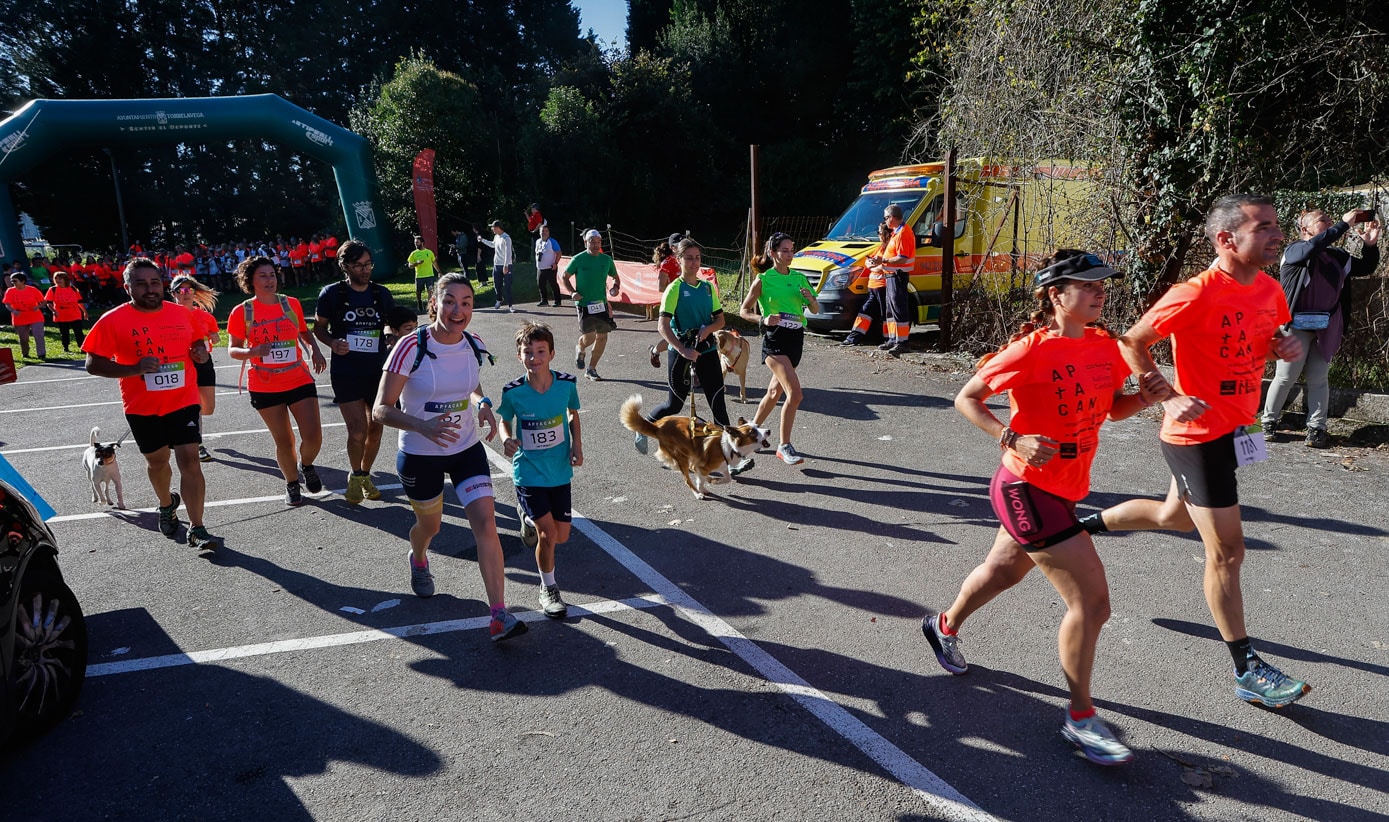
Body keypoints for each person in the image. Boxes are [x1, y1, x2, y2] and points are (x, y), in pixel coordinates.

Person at [922, 250, 1158, 766]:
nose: (1100, 292)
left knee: (1003, 572)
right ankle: (1080, 718)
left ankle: (942, 625)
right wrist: (1011, 435)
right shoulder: (1029, 351)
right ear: (1057, 295)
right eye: (1089, 285)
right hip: (1024, 488)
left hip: (1064, 488)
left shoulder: (1107, 348)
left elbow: (1114, 410)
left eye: (1103, 285)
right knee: (1092, 604)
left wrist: (1148, 396)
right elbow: (967, 397)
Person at [1080, 193, 1311, 709]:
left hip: (1237, 429)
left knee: (1172, 517)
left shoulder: (1271, 289)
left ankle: (1085, 527)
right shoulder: (1194, 293)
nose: (1277, 235)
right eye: (1264, 227)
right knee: (1228, 551)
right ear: (1227, 239)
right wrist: (1168, 392)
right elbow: (1131, 341)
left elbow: (1268, 334)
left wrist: (1282, 346)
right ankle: (1246, 667)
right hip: (1198, 437)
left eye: (1277, 225)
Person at [373, 273, 528, 642]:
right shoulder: (411, 346)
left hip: (465, 450)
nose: (458, 310)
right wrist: (422, 426)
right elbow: (381, 409)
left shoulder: (473, 343)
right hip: (420, 454)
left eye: (466, 302)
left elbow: (470, 385)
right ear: (435, 303)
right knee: (431, 527)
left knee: (486, 524)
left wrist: (484, 404)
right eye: (450, 301)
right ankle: (419, 558)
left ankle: (498, 615)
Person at [82, 258, 219, 550]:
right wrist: (133, 369)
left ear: (162, 285)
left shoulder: (182, 314)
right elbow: (93, 363)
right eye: (141, 284)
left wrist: (200, 354)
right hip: (142, 407)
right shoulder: (113, 320)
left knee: (191, 461)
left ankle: (198, 528)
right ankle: (166, 504)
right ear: (128, 287)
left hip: (183, 400)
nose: (149, 289)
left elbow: (199, 345)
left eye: (155, 282)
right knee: (158, 463)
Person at [1260, 208, 1381, 448]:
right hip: (1294, 326)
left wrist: (1370, 245)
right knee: (1286, 377)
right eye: (1322, 220)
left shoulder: (1338, 256)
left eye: (1329, 220)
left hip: (1325, 327)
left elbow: (1366, 267)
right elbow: (1311, 248)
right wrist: (1343, 226)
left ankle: (1316, 429)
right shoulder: (1295, 251)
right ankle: (1268, 422)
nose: (1329, 222)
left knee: (1319, 378)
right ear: (1305, 229)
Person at [633, 238, 744, 468]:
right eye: (689, 258)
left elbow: (720, 319)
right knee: (674, 404)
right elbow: (662, 326)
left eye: (697, 258)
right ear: (679, 260)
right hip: (681, 352)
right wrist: (682, 349)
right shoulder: (674, 289)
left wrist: (708, 329)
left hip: (707, 351)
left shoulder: (706, 288)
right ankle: (644, 428)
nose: (694, 263)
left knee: (717, 400)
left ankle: (731, 457)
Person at [497, 322, 583, 619]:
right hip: (529, 472)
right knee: (548, 535)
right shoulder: (514, 391)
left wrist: (577, 445)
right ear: (519, 356)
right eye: (528, 352)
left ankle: (526, 518)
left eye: (540, 351)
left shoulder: (567, 384)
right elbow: (504, 419)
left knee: (561, 535)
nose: (535, 358)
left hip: (559, 471)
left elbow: (573, 415)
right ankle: (549, 588)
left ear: (552, 353)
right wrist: (506, 437)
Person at [227, 256, 328, 507]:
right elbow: (233, 349)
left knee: (313, 436)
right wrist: (252, 353)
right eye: (262, 276)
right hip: (265, 385)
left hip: (298, 378)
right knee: (284, 440)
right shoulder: (242, 311)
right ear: (250, 281)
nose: (269, 280)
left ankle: (306, 465)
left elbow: (303, 331)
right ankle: (292, 483)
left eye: (272, 274)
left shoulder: (290, 304)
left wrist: (314, 350)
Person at [313, 239, 395, 505]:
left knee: (376, 428)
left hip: (377, 370)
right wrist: (332, 343)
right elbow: (319, 328)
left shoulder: (381, 294)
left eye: (368, 264)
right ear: (345, 266)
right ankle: (355, 474)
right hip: (347, 370)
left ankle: (365, 475)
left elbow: (389, 325)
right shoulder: (331, 294)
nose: (365, 269)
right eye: (359, 265)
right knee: (357, 430)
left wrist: (389, 336)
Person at [738, 232, 820, 465]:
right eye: (785, 250)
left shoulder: (800, 279)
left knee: (774, 393)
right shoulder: (764, 279)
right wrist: (763, 320)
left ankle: (750, 432)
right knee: (795, 393)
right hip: (774, 340)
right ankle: (784, 446)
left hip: (796, 340)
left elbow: (814, 309)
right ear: (773, 253)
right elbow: (744, 311)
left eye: (792, 250)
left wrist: (810, 299)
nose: (789, 254)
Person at [844, 204, 916, 355]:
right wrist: (881, 261)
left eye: (886, 218)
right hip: (890, 276)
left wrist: (882, 262)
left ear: (891, 217)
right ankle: (892, 339)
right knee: (891, 309)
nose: (885, 221)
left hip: (898, 276)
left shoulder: (903, 232)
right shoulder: (897, 233)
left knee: (898, 309)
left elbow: (902, 259)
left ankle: (902, 342)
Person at [169, 274, 221, 462]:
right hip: (182, 365)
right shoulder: (168, 315)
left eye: (189, 289)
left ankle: (191, 435)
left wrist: (211, 337)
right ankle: (197, 444)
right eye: (181, 290)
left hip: (203, 363)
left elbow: (215, 337)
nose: (185, 293)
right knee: (194, 407)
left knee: (207, 408)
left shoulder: (204, 316)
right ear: (173, 293)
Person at [561, 229, 621, 381]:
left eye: (598, 242)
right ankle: (580, 348)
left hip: (601, 304)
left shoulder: (606, 260)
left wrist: (615, 287)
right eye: (592, 242)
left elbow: (615, 277)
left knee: (602, 337)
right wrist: (572, 292)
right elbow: (565, 277)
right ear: (586, 242)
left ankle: (591, 369)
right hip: (584, 303)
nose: (595, 245)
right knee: (590, 337)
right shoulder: (578, 259)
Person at [647, 233, 683, 367]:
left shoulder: (686, 259)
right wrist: (676, 292)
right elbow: (661, 287)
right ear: (673, 248)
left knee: (685, 335)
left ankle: (656, 351)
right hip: (674, 303)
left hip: (687, 302)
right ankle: (655, 351)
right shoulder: (667, 263)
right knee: (677, 336)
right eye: (680, 245)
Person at [4, 272, 47, 359]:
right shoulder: (10, 291)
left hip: (35, 315)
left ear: (23, 281)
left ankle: (41, 354)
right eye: (12, 281)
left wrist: (38, 306)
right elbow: (7, 304)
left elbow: (43, 301)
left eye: (15, 281)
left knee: (38, 334)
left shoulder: (33, 290)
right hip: (19, 316)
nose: (13, 283)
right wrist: (13, 310)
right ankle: (25, 353)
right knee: (23, 338)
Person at [44, 270, 87, 353]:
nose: (58, 280)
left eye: (60, 278)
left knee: (78, 331)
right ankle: (66, 346)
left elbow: (80, 301)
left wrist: (85, 312)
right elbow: (48, 303)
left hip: (74, 313)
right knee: (64, 332)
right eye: (56, 278)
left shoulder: (73, 288)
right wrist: (53, 311)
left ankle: (82, 347)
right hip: (61, 313)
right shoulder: (52, 289)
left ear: (65, 279)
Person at [480, 220, 515, 311]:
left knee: (507, 285)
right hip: (496, 265)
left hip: (506, 265)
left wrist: (506, 265)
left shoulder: (506, 238)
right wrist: (482, 240)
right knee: (497, 285)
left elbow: (508, 253)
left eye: (493, 227)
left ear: (498, 228)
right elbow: (492, 245)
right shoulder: (496, 237)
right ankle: (499, 299)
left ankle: (510, 305)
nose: (492, 229)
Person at [406, 235, 437, 313]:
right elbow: (409, 265)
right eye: (415, 243)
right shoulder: (413, 253)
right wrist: (416, 263)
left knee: (430, 291)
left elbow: (434, 262)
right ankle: (419, 301)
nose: (416, 244)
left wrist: (439, 271)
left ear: (422, 243)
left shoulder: (429, 252)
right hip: (419, 276)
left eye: (417, 242)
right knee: (418, 292)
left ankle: (429, 307)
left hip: (429, 275)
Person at [534, 224, 561, 307]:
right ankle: (544, 301)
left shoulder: (552, 241)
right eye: (542, 231)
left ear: (549, 232)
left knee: (553, 284)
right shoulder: (538, 241)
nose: (544, 233)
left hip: (550, 267)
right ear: (539, 232)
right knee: (540, 284)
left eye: (546, 231)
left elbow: (559, 253)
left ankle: (557, 301)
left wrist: (555, 263)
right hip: (540, 267)